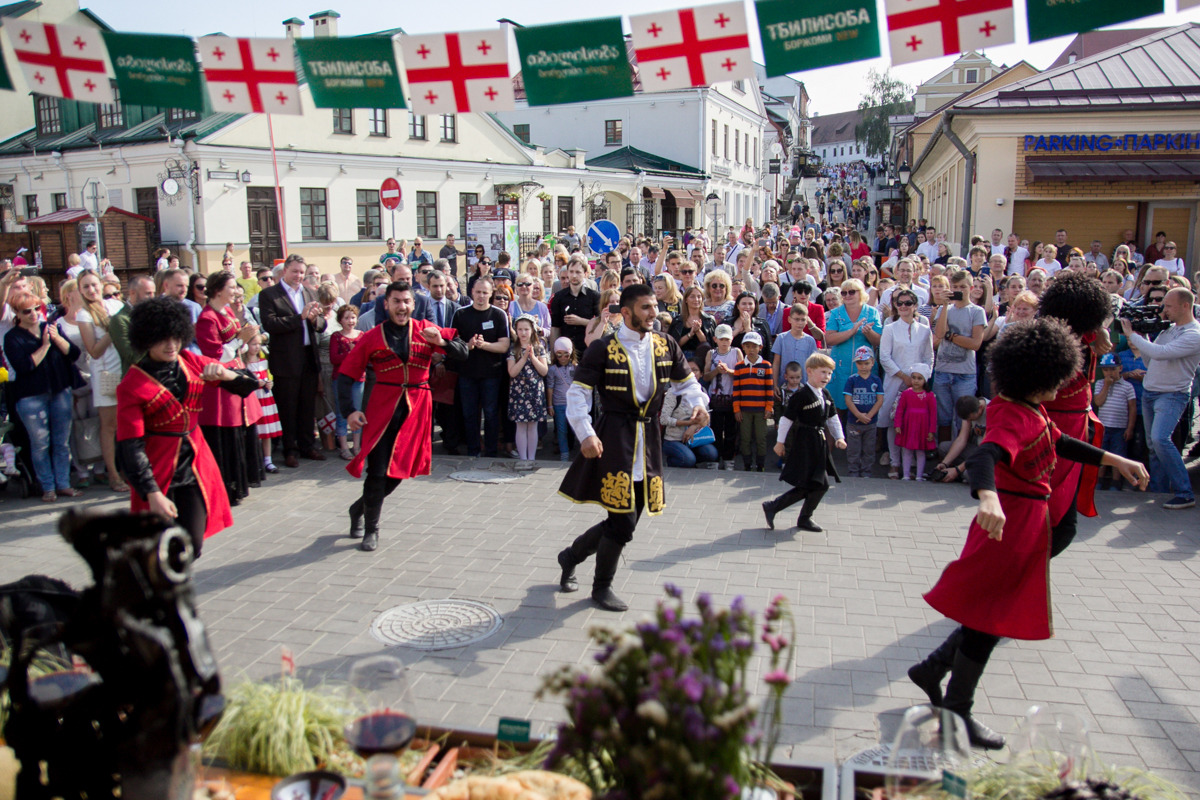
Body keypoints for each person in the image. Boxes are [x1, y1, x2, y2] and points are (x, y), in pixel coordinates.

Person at [912, 318, 1149, 750]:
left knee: (989, 617)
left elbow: (1061, 442)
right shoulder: (1012, 416)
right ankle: (955, 709)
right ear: (1033, 378)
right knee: (988, 620)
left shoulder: (1029, 408)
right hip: (1009, 523)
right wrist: (988, 497)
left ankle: (939, 679)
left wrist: (1117, 460)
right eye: (1054, 382)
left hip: (1025, 523)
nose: (1060, 390)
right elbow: (986, 455)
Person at [556, 283, 709, 612]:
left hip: (649, 438)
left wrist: (698, 404)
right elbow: (577, 394)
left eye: (655, 306)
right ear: (625, 312)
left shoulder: (666, 344)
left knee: (625, 519)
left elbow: (687, 382)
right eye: (645, 308)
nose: (654, 313)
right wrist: (585, 433)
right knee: (622, 522)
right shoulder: (602, 348)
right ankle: (601, 587)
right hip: (614, 437)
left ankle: (569, 557)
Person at [116, 298, 263, 557]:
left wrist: (224, 374)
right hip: (157, 469)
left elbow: (249, 385)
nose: (171, 345)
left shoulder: (189, 360)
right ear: (146, 340)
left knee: (192, 545)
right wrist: (151, 493)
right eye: (163, 339)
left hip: (196, 465)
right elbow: (130, 446)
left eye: (176, 337)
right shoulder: (132, 384)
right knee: (159, 546)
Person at [338, 281, 467, 552]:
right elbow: (346, 375)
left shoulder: (425, 330)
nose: (402, 307)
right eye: (396, 301)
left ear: (413, 303)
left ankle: (358, 507)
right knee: (377, 469)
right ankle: (371, 529)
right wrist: (349, 411)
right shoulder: (372, 336)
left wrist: (441, 342)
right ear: (386, 304)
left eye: (406, 301)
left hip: (417, 409)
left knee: (399, 472)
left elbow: (463, 353)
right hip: (383, 408)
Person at [1120, 287, 1200, 509]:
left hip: (1172, 394)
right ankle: (1159, 490)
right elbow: (1150, 359)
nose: (1164, 310)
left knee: (1160, 439)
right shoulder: (1169, 330)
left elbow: (1160, 353)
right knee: (1153, 446)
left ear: (1185, 306)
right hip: (1151, 392)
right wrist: (1142, 334)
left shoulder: (1194, 334)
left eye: (1169, 306)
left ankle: (1185, 492)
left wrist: (1132, 335)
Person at [4, 291, 83, 501]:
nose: (32, 314)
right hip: (30, 396)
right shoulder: (12, 337)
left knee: (62, 441)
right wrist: (46, 345)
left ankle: (63, 484)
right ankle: (48, 486)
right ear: (17, 314)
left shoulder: (50, 327)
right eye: (26, 311)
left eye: (36, 309)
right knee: (40, 443)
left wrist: (56, 338)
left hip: (59, 390)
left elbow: (74, 354)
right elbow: (24, 366)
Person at [195, 271, 263, 507]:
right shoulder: (207, 318)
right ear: (218, 290)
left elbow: (236, 348)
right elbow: (213, 356)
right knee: (226, 436)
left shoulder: (227, 313)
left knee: (241, 432)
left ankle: (239, 483)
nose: (236, 291)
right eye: (232, 287)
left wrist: (248, 338)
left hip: (236, 376)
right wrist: (238, 340)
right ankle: (226, 486)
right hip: (220, 383)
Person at [762, 353, 846, 532]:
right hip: (805, 443)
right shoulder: (801, 395)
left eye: (829, 373)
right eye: (823, 372)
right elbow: (786, 419)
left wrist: (839, 437)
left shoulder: (825, 394)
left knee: (815, 485)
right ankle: (790, 512)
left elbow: (832, 418)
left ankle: (780, 509)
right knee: (817, 484)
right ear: (810, 371)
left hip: (819, 442)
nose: (827, 377)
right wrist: (779, 442)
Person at [259, 254, 327, 467]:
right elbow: (271, 324)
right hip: (286, 360)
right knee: (288, 406)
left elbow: (322, 324)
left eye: (301, 272)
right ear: (284, 271)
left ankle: (308, 445)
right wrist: (299, 318)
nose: (298, 276)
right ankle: (290, 449)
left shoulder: (309, 292)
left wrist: (316, 319)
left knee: (307, 406)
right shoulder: (270, 294)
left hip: (308, 356)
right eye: (294, 271)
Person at [75, 271, 127, 492]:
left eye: (94, 285)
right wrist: (112, 330)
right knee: (109, 427)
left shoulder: (115, 305)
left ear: (102, 285)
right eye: (85, 287)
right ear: (80, 290)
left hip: (126, 371)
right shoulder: (83, 314)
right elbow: (94, 351)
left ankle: (128, 471)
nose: (91, 290)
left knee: (129, 424)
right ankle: (113, 476)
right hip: (106, 376)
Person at [453, 276, 510, 458]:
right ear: (472, 293)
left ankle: (491, 451)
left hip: (491, 373)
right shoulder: (461, 314)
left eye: (485, 292)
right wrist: (468, 345)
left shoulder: (498, 314)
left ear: (491, 293)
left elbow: (504, 345)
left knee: (491, 414)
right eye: (478, 292)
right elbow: (452, 345)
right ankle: (473, 450)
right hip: (467, 373)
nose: (481, 296)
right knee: (469, 415)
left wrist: (484, 345)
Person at [824, 278, 882, 417]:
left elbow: (878, 340)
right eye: (844, 293)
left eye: (851, 292)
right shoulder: (836, 313)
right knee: (838, 408)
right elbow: (829, 338)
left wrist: (869, 333)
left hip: (864, 369)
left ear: (860, 293)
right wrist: (851, 331)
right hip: (840, 367)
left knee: (864, 407)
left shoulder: (872, 312)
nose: (847, 296)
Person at [1092, 353, 1137, 491]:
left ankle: (1116, 482)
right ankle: (1099, 481)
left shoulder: (1127, 387)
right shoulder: (1100, 383)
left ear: (1120, 368)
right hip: (1103, 427)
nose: (1109, 372)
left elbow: (1132, 408)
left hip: (1120, 428)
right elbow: (1098, 402)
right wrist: (1106, 385)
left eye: (1112, 369)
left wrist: (1130, 428)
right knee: (1102, 454)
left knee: (1118, 455)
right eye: (1106, 370)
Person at [507, 315, 549, 462]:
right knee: (520, 426)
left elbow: (544, 371)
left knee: (533, 426)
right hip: (519, 391)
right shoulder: (514, 348)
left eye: (526, 329)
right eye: (520, 329)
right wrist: (523, 358)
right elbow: (512, 372)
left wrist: (533, 357)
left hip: (535, 390)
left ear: (532, 330)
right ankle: (523, 458)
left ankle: (531, 458)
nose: (523, 333)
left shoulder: (539, 348)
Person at [733, 331, 773, 472]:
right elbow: (736, 391)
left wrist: (769, 407)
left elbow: (769, 389)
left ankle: (761, 465)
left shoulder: (766, 366)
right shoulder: (739, 367)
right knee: (745, 438)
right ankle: (747, 465)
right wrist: (737, 409)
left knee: (761, 438)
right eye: (748, 346)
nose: (751, 349)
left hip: (761, 410)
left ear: (760, 348)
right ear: (743, 347)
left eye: (754, 346)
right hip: (744, 410)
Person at [329, 305, 365, 460]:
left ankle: (356, 446)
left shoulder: (362, 335)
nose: (350, 321)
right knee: (342, 412)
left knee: (357, 411)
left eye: (353, 317)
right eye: (346, 318)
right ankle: (344, 447)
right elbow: (334, 359)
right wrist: (351, 353)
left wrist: (357, 354)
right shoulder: (336, 336)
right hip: (341, 379)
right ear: (340, 320)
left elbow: (366, 357)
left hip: (359, 379)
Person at [704, 325, 742, 471]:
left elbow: (742, 373)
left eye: (727, 339)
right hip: (716, 399)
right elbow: (706, 375)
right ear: (715, 339)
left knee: (731, 431)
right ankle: (715, 458)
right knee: (716, 430)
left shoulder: (736, 352)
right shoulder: (711, 353)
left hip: (733, 398)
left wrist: (729, 371)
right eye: (721, 339)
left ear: (732, 339)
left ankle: (728, 459)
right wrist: (716, 371)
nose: (724, 342)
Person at [842, 346, 884, 478]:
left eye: (866, 363)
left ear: (872, 362)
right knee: (853, 449)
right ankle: (853, 471)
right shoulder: (852, 379)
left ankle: (866, 472)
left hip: (870, 423)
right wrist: (858, 415)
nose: (863, 366)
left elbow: (880, 399)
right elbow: (848, 400)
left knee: (869, 449)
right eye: (860, 363)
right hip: (854, 422)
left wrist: (869, 415)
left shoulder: (876, 380)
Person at [244, 335, 281, 474]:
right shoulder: (244, 363)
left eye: (259, 344)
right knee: (255, 431)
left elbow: (268, 376)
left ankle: (268, 460)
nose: (257, 347)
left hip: (265, 398)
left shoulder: (264, 361)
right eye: (253, 344)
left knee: (267, 431)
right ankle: (255, 460)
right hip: (252, 398)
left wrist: (269, 383)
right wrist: (254, 384)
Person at [893, 364, 936, 480]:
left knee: (920, 451)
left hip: (923, 427)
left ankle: (919, 475)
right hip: (908, 425)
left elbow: (933, 414)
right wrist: (898, 424)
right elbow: (900, 410)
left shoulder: (929, 395)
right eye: (914, 377)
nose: (916, 381)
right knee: (906, 450)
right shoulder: (906, 393)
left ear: (925, 380)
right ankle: (906, 474)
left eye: (919, 378)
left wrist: (932, 430)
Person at [109, 275, 157, 375]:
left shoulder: (154, 314)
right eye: (148, 293)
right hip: (137, 379)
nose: (152, 297)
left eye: (154, 293)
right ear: (132, 293)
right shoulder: (120, 319)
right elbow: (132, 356)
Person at [546, 337, 577, 462]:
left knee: (575, 429)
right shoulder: (552, 370)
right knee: (561, 430)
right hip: (559, 404)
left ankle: (577, 451)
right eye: (559, 355)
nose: (563, 358)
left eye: (566, 355)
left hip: (573, 404)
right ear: (555, 354)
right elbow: (550, 388)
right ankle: (564, 453)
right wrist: (550, 405)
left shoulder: (575, 368)